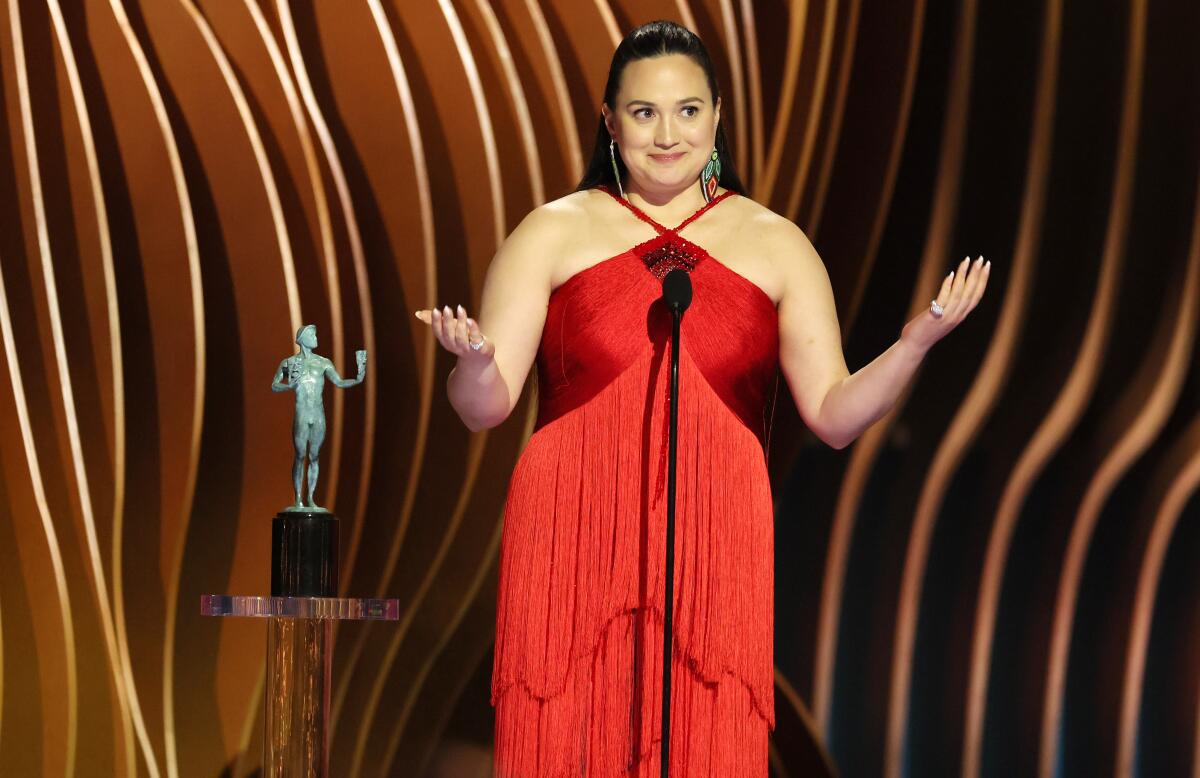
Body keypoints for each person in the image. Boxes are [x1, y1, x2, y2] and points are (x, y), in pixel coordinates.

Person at [416, 19, 988, 776]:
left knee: (704, 732)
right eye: (645, 112)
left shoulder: (777, 243)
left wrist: (914, 343)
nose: (666, 134)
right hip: (571, 531)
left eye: (687, 110)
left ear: (718, 115)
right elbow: (484, 407)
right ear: (610, 120)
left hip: (715, 538)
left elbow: (835, 415)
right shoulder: (550, 233)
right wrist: (475, 361)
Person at [271, 324, 367, 510]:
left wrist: (357, 378)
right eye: (313, 335)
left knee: (314, 456)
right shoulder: (290, 363)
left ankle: (311, 498)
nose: (316, 338)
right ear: (303, 339)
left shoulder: (323, 363)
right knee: (300, 455)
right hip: (302, 414)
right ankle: (298, 498)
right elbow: (274, 385)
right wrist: (289, 386)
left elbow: (338, 382)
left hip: (318, 415)